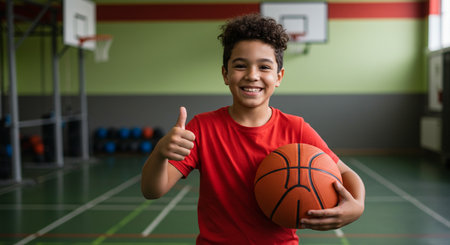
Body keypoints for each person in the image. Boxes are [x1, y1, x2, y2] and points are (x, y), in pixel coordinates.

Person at [141, 13, 365, 244]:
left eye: (264, 67)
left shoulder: (296, 129)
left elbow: (346, 173)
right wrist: (160, 153)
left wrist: (356, 206)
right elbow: (152, 190)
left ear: (279, 77)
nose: (252, 75)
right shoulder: (203, 128)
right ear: (225, 74)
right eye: (240, 65)